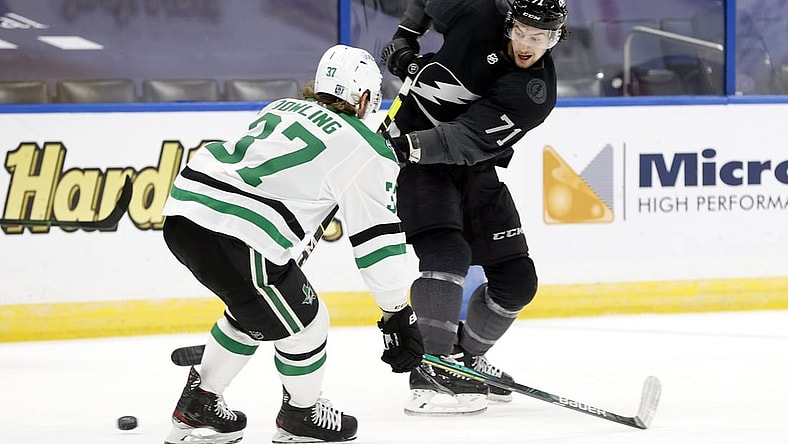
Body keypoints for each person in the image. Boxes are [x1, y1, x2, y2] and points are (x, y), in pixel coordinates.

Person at [161, 44, 424, 444]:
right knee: (307, 325)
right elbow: (378, 243)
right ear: (365, 98)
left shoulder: (281, 108)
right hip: (238, 234)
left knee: (255, 311)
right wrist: (397, 313)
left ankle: (199, 406)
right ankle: (301, 416)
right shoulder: (368, 150)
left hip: (185, 213)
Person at [379, 0, 569, 415]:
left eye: (540, 38)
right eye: (521, 32)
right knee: (448, 255)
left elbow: (462, 140)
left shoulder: (532, 94)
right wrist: (406, 35)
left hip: (466, 162)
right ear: (508, 23)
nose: (527, 45)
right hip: (419, 170)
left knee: (517, 281)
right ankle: (431, 368)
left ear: (557, 38)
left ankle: (464, 359)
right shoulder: (478, 13)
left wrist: (402, 145)